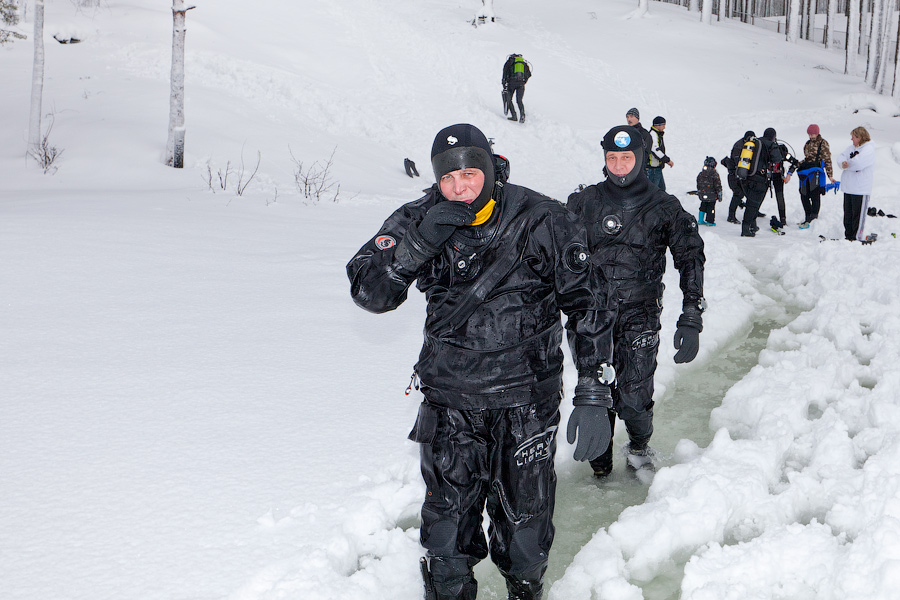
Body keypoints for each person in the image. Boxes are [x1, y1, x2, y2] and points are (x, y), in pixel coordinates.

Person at [347, 123, 616, 600]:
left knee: (526, 539)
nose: (460, 186)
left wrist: (593, 391)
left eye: (471, 173)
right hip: (450, 404)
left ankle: (525, 589)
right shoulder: (419, 218)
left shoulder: (543, 218)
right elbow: (370, 293)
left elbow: (588, 303)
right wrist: (417, 246)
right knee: (445, 543)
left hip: (526, 403)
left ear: (491, 168)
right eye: (448, 178)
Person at [566, 125, 706, 478]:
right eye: (612, 158)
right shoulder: (584, 202)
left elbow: (690, 256)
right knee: (596, 392)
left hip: (639, 314)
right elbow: (557, 254)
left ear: (641, 159)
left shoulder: (664, 207)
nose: (619, 166)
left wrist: (691, 315)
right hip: (591, 317)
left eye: (626, 158)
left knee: (633, 398)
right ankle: (600, 469)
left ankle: (639, 446)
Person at [739, 127, 783, 238]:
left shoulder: (755, 142)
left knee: (752, 202)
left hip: (748, 177)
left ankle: (752, 226)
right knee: (753, 204)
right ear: (773, 136)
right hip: (759, 179)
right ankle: (745, 229)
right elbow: (777, 159)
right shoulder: (770, 144)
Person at [789, 124, 835, 228]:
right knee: (803, 194)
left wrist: (830, 176)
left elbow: (827, 160)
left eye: (812, 134)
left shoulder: (823, 143)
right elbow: (807, 158)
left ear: (817, 133)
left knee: (815, 194)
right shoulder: (807, 143)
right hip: (806, 173)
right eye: (809, 134)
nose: (810, 136)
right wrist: (796, 165)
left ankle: (814, 218)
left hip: (816, 172)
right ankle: (807, 216)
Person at [837, 126, 875, 242]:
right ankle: (848, 236)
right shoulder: (851, 148)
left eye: (853, 137)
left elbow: (858, 163)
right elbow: (841, 157)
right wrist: (843, 163)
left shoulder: (868, 149)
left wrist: (848, 164)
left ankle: (856, 236)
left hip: (860, 188)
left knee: (857, 215)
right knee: (847, 214)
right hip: (849, 187)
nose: (851, 139)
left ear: (859, 137)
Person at [723, 131, 754, 224]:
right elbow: (737, 161)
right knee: (738, 194)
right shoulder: (738, 146)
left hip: (742, 173)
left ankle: (752, 210)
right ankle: (731, 215)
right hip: (734, 174)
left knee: (749, 193)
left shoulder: (747, 145)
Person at [647, 116, 674, 191]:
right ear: (658, 125)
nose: (664, 127)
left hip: (657, 167)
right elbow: (655, 150)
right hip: (653, 168)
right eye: (663, 125)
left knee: (661, 189)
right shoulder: (653, 134)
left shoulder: (657, 134)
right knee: (654, 190)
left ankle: (661, 202)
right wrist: (667, 160)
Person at [502, 54, 531, 123]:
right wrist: (524, 81)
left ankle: (514, 116)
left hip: (512, 82)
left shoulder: (509, 62)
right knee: (519, 100)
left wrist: (504, 82)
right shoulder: (523, 63)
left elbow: (505, 72)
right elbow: (529, 74)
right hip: (521, 83)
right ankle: (522, 115)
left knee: (509, 99)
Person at [696, 156, 722, 226]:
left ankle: (700, 219)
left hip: (703, 194)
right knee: (711, 208)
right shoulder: (714, 174)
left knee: (703, 205)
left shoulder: (701, 174)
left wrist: (699, 191)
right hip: (712, 195)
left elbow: (698, 183)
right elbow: (718, 185)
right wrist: (719, 193)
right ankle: (710, 221)